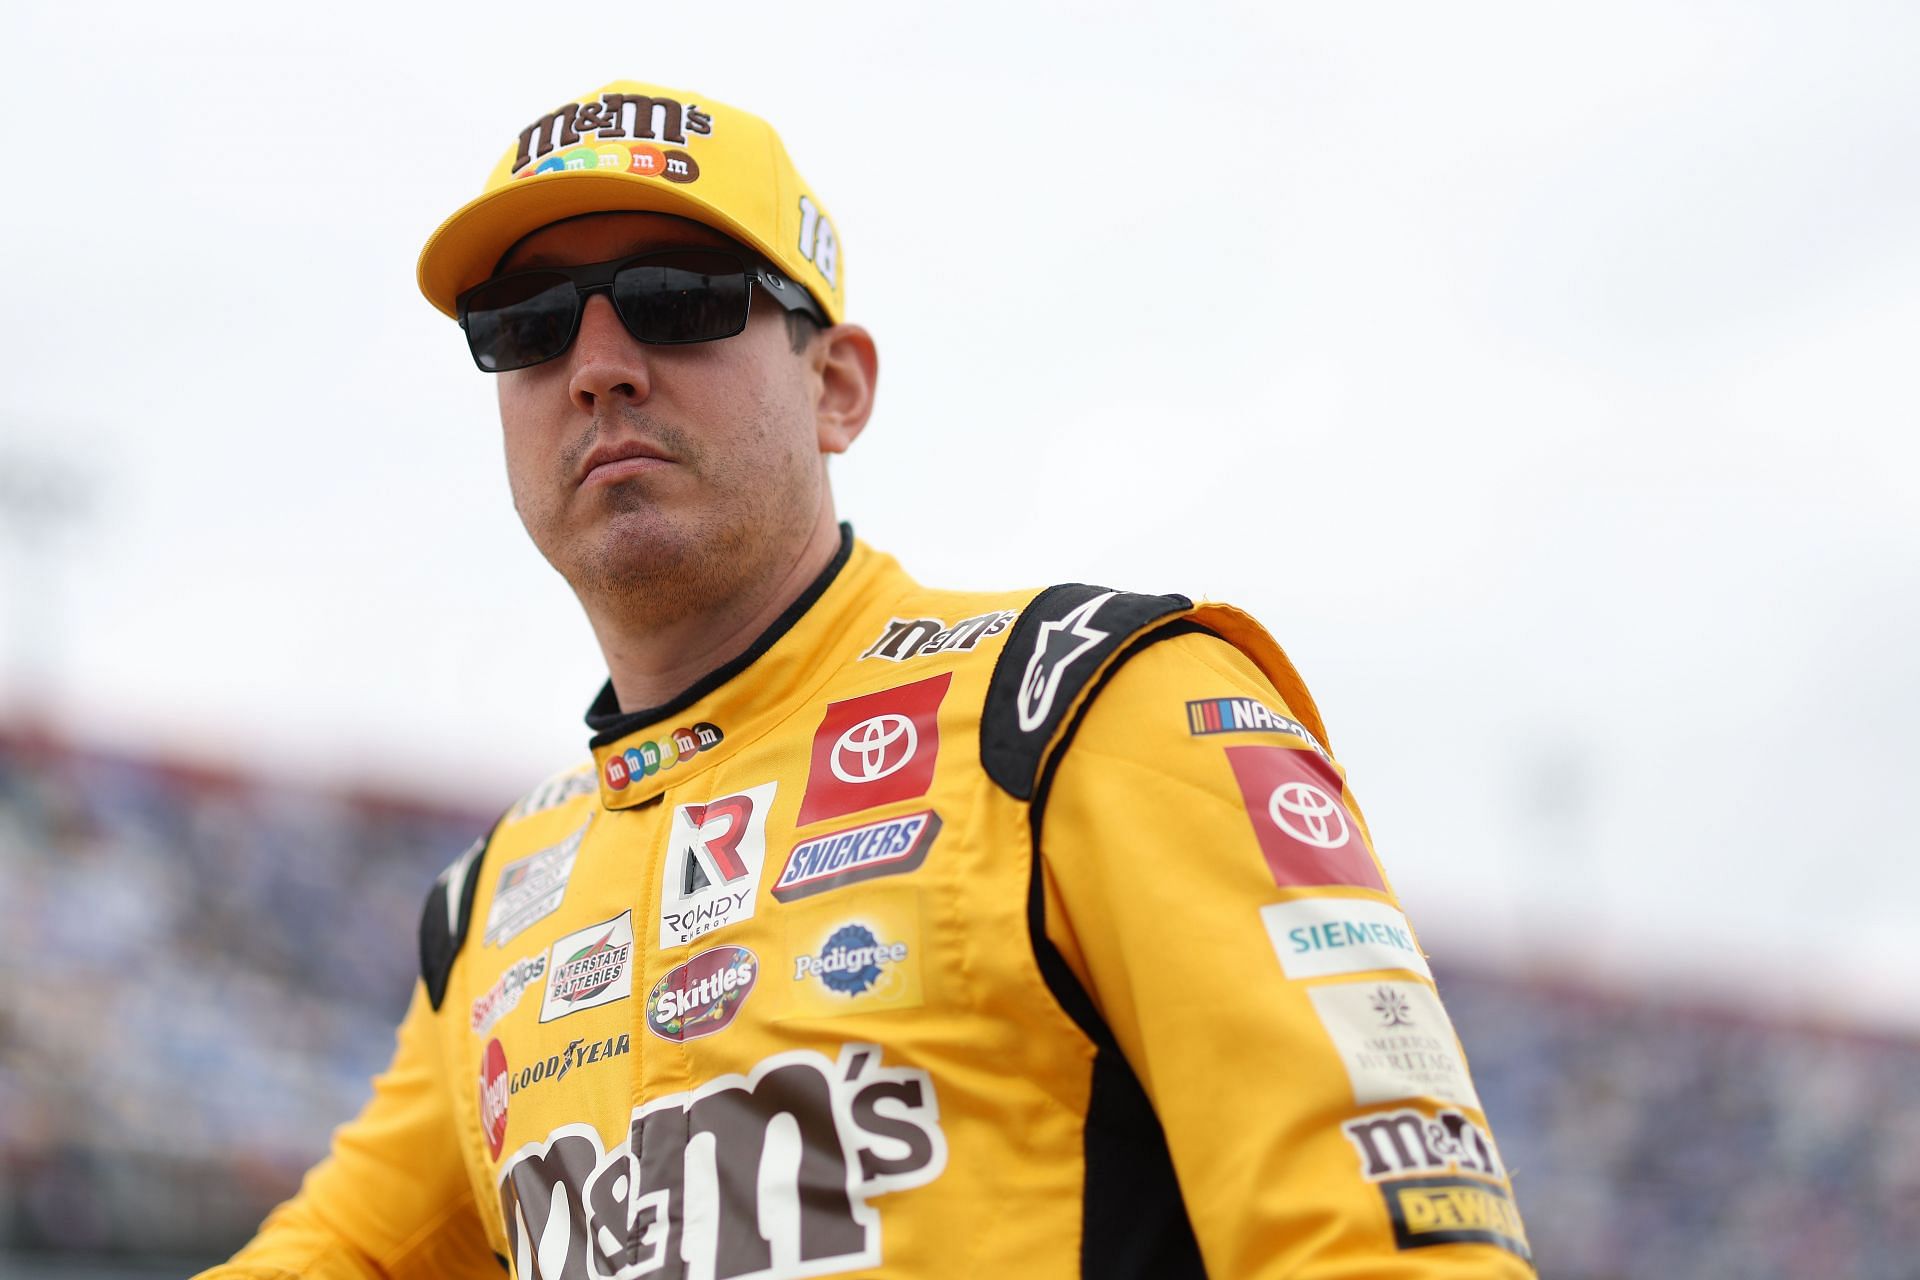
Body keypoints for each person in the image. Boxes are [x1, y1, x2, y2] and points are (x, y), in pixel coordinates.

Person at [203, 79, 1534, 1279]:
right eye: (529, 328)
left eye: (679, 299)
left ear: (837, 386)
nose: (599, 369)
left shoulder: (1090, 710)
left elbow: (1397, 1254)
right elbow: (341, 1256)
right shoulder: (497, 906)